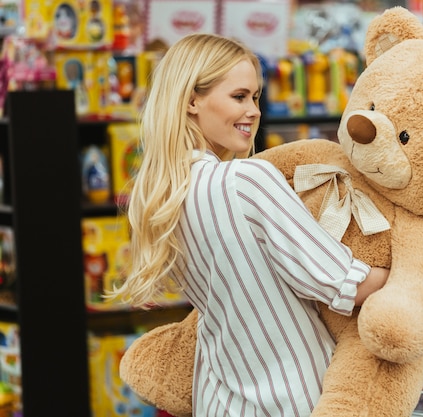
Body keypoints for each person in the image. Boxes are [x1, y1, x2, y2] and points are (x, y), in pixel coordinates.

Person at [111, 33, 389, 416]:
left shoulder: (162, 198)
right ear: (192, 100)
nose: (254, 111)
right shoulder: (245, 180)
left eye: (255, 97)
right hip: (295, 396)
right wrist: (416, 266)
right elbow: (346, 284)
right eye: (239, 97)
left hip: (219, 396)